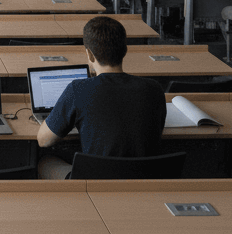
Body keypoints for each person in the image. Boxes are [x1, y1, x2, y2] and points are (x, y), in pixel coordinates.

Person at [36, 16, 165, 179]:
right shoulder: (154, 88)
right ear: (125, 50)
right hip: (142, 179)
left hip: (96, 182)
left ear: (89, 55)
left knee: (44, 161)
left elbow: (44, 140)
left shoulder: (78, 89)